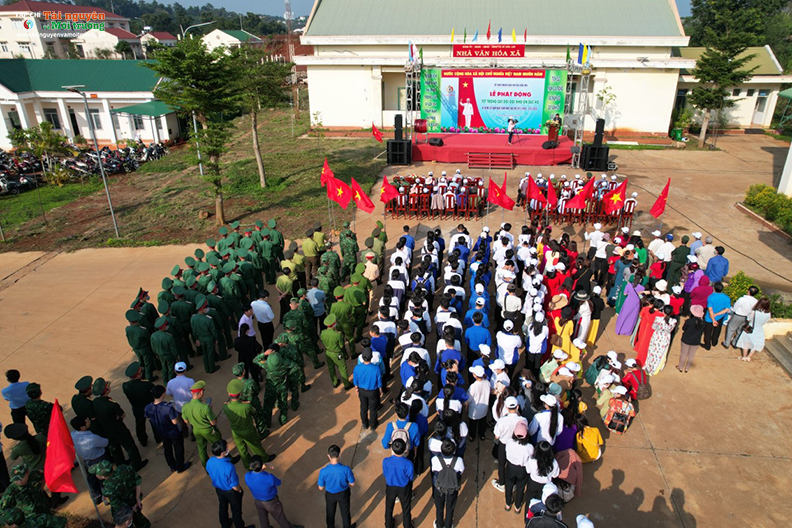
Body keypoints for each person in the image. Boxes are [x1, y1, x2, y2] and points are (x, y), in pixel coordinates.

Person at [92, 378, 147, 471]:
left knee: (115, 448)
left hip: (107, 429)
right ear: (106, 390)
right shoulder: (112, 404)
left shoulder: (95, 402)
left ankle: (121, 464)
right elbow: (122, 414)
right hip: (118, 428)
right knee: (130, 446)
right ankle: (137, 464)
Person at [223, 379, 274, 470]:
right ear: (240, 393)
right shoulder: (246, 406)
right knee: (256, 446)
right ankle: (264, 458)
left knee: (242, 449)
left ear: (228, 394)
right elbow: (253, 412)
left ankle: (247, 465)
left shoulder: (226, 407)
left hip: (236, 432)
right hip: (248, 431)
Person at [245, 455, 303, 528]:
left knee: (263, 519)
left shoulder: (247, 476)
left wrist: (261, 469)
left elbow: (256, 475)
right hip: (271, 503)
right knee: (280, 517)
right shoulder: (269, 477)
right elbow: (278, 483)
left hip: (258, 502)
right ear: (262, 465)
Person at [89, 460, 151, 528]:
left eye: (96, 473)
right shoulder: (124, 468)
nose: (95, 475)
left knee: (127, 524)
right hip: (133, 500)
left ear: (103, 476)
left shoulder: (108, 490)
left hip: (125, 512)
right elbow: (138, 480)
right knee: (140, 520)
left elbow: (118, 505)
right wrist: (137, 498)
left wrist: (130, 510)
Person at [144, 385, 190, 473]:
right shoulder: (168, 407)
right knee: (178, 448)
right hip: (173, 432)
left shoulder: (148, 407)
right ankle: (180, 466)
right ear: (162, 394)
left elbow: (149, 418)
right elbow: (175, 422)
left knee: (167, 448)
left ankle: (172, 465)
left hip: (161, 432)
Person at [206, 439, 251, 528]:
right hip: (230, 492)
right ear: (223, 453)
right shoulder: (229, 466)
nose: (228, 449)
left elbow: (209, 471)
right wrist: (240, 490)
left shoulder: (210, 461)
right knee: (236, 511)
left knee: (223, 507)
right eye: (226, 448)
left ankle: (225, 524)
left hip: (219, 489)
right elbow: (234, 486)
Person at [180, 380, 222, 468]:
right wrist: (210, 410)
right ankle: (226, 461)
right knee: (220, 446)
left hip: (196, 430)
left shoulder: (185, 406)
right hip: (208, 430)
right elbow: (213, 422)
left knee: (201, 449)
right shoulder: (205, 407)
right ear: (201, 392)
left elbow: (186, 421)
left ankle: (206, 467)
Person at [70, 416, 110, 503]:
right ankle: (106, 498)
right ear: (82, 427)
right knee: (103, 479)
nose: (89, 421)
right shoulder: (92, 438)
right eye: (87, 421)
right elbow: (105, 442)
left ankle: (96, 497)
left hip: (87, 461)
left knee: (92, 480)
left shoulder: (73, 435)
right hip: (99, 459)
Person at [492, 396, 528, 493]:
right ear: (517, 407)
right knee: (512, 463)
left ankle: (502, 483)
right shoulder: (523, 420)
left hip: (504, 444)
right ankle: (513, 483)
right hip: (517, 445)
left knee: (501, 464)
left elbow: (496, 436)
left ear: (506, 408)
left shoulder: (502, 420)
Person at [317, 444, 356, 528]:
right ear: (340, 455)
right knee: (345, 513)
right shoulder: (346, 469)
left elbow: (320, 487)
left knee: (330, 513)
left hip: (330, 495)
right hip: (343, 494)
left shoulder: (323, 471)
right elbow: (352, 483)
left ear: (328, 456)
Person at [121, 362, 156, 448]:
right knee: (154, 423)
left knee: (140, 424)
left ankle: (142, 440)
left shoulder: (125, 386)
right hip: (149, 407)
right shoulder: (146, 384)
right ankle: (158, 437)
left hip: (137, 408)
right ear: (138, 374)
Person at [431, 438, 464, 528]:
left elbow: (434, 470)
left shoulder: (435, 459)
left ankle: (439, 524)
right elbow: (461, 471)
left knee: (439, 508)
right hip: (452, 489)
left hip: (439, 488)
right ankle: (448, 525)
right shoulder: (459, 460)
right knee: (450, 508)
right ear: (454, 451)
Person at [382, 438, 414, 528]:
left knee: (389, 507)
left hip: (390, 487)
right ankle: (407, 525)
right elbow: (410, 476)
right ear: (404, 449)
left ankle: (388, 525)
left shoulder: (386, 461)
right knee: (406, 508)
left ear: (392, 448)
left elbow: (385, 473)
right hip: (403, 487)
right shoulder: (408, 464)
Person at [504, 420, 533, 514]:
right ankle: (517, 506)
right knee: (520, 488)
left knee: (508, 485)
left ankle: (508, 504)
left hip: (510, 467)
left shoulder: (509, 442)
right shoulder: (529, 447)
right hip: (522, 470)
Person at [353, 348, 382, 431]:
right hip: (373, 391)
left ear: (362, 357)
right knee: (373, 409)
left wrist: (356, 388)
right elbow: (379, 380)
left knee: (363, 408)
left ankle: (365, 424)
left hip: (362, 391)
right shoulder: (376, 368)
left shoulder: (357, 368)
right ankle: (373, 425)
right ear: (371, 357)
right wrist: (380, 389)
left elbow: (355, 379)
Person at [644, 306, 677, 376]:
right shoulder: (673, 321)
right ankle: (655, 368)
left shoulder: (658, 319)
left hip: (657, 336)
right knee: (660, 353)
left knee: (652, 351)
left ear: (663, 311)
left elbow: (653, 327)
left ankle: (648, 366)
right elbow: (670, 330)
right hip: (665, 338)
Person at [737, 297, 772, 362]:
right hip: (759, 330)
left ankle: (744, 356)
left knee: (746, 343)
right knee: (756, 344)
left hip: (750, 329)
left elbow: (748, 319)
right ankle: (749, 357)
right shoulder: (768, 314)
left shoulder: (754, 312)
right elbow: (765, 321)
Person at [702, 282, 731, 350]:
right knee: (717, 330)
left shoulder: (711, 297)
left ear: (714, 288)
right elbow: (727, 309)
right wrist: (717, 314)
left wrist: (713, 319)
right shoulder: (727, 298)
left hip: (709, 317)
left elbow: (710, 309)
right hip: (720, 317)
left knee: (708, 332)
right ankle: (714, 342)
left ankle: (707, 345)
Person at [677, 305, 706, 372]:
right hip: (696, 341)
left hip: (686, 340)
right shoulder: (703, 323)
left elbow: (684, 329)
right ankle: (687, 368)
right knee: (691, 355)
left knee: (683, 354)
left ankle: (680, 367)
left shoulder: (689, 321)